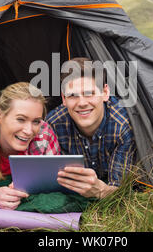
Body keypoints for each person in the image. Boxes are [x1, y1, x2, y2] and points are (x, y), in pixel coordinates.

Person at [46, 57, 136, 199]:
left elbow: (120, 190)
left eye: (89, 93)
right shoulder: (53, 124)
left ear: (105, 93)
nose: (82, 103)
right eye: (73, 95)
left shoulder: (122, 126)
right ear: (64, 99)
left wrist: (101, 192)